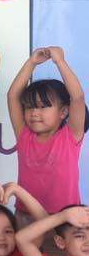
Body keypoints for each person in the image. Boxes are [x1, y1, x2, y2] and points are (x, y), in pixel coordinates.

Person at [7, 46, 86, 214]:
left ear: (63, 112)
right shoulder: (24, 134)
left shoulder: (70, 137)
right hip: (26, 215)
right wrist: (31, 62)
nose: (34, 113)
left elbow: (77, 98)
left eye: (43, 107)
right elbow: (13, 96)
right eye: (29, 107)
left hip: (64, 217)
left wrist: (60, 62)